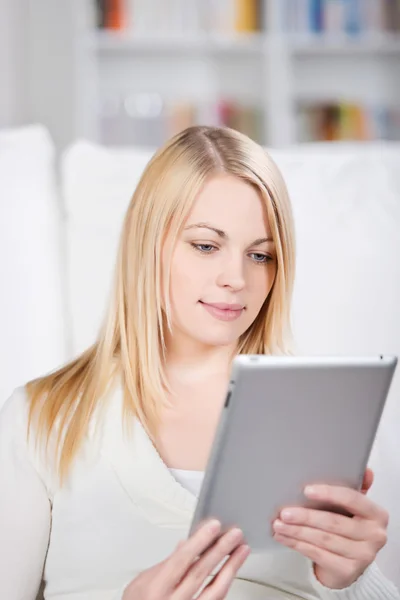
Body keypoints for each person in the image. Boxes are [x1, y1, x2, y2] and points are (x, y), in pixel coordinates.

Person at [0, 125, 398, 600]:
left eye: (260, 255)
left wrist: (351, 579)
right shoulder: (42, 418)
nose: (236, 278)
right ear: (148, 245)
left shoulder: (318, 414)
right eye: (206, 245)